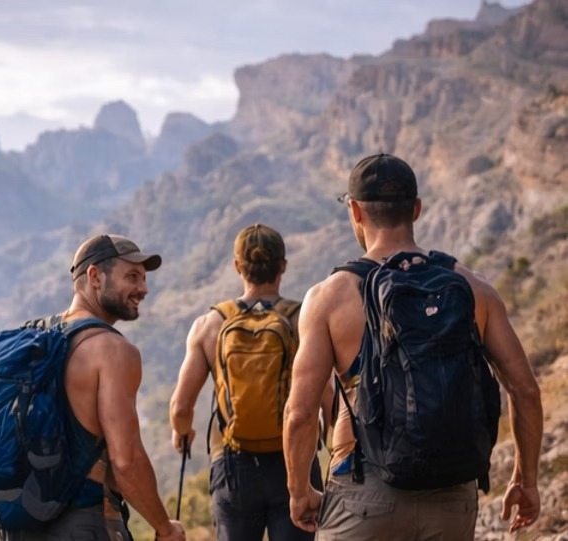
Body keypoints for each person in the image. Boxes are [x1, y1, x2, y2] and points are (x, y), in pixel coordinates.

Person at [282, 153, 543, 540]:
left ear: (355, 211)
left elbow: (300, 414)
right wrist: (526, 478)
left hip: (364, 494)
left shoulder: (328, 298)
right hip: (452, 495)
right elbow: (525, 391)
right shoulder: (474, 289)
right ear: (416, 209)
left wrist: (299, 491)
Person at [0, 234, 185, 541]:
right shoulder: (113, 350)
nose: (143, 289)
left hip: (15, 525)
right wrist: (165, 527)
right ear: (95, 277)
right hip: (81, 522)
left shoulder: (30, 339)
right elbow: (126, 461)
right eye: (133, 277)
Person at [169, 224, 330, 541]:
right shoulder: (304, 321)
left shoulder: (209, 325)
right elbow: (329, 399)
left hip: (234, 466)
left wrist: (182, 431)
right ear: (282, 266)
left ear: (237, 267)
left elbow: (180, 406)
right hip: (295, 460)